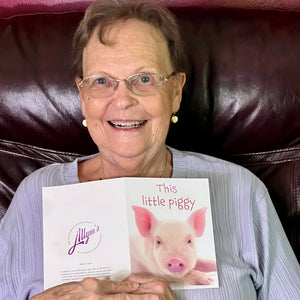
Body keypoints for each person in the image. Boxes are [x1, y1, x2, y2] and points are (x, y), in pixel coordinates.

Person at [0, 0, 299, 299]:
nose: (123, 100)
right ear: (82, 97)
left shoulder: (241, 193)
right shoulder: (34, 195)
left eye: (144, 79)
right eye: (101, 81)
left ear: (175, 93)